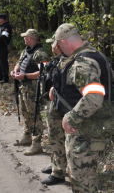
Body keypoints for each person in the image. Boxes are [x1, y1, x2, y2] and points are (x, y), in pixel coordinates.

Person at [49, 23, 112, 192]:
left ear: (64, 42)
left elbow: (94, 97)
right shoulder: (93, 54)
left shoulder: (82, 63)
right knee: (84, 175)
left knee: (82, 180)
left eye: (58, 44)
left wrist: (70, 118)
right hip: (94, 124)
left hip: (85, 127)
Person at [10, 29, 50, 156]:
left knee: (35, 115)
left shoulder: (40, 54)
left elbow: (44, 72)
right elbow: (19, 63)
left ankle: (37, 143)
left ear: (31, 38)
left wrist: (25, 76)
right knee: (26, 113)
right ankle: (27, 137)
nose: (23, 38)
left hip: (33, 89)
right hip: (23, 88)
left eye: (25, 36)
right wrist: (15, 71)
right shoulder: (25, 51)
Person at [41, 34, 68, 186]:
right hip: (54, 104)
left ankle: (58, 172)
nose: (51, 46)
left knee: (57, 137)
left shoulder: (67, 61)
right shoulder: (59, 60)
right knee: (54, 137)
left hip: (60, 106)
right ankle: (57, 164)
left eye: (52, 43)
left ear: (58, 45)